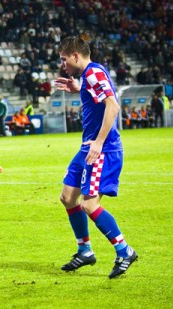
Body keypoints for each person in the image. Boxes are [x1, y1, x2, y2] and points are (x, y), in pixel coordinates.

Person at [54, 36, 137, 279]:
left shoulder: (93, 73)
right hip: (87, 147)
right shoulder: (89, 75)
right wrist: (78, 89)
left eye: (64, 59)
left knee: (89, 204)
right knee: (68, 197)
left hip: (102, 149)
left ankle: (124, 251)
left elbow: (113, 106)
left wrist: (99, 143)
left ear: (75, 56)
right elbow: (98, 98)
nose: (63, 65)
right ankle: (85, 251)